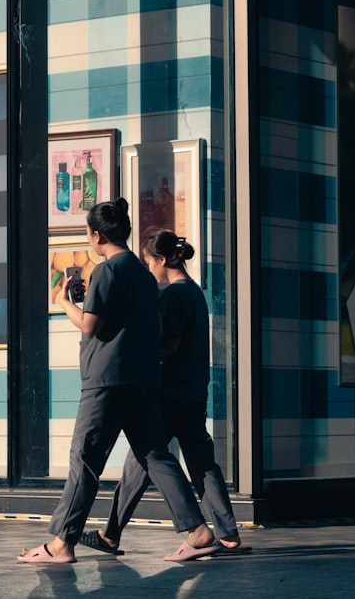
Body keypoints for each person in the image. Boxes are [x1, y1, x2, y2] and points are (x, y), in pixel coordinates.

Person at [18, 199, 220, 564]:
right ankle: (198, 530)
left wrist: (64, 302)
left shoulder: (107, 271)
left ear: (95, 236)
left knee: (85, 458)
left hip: (106, 382)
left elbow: (91, 325)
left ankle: (62, 544)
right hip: (142, 381)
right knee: (156, 456)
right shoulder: (145, 275)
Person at [79, 228, 250, 556]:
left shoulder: (172, 295)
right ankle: (228, 534)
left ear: (161, 259)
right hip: (195, 391)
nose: (147, 268)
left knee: (144, 459)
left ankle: (112, 533)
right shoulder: (195, 292)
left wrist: (139, 341)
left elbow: (169, 345)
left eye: (148, 262)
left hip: (170, 391)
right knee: (203, 464)